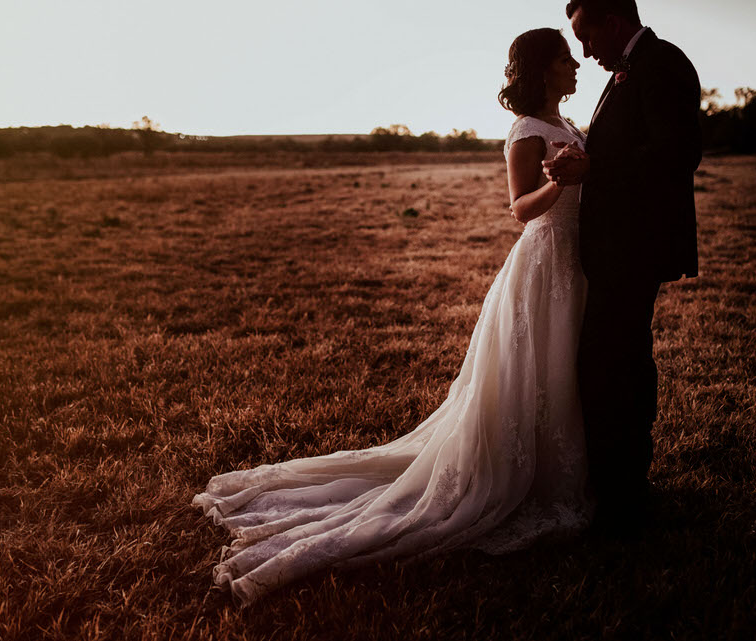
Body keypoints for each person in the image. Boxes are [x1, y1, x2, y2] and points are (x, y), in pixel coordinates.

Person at [192, 28, 594, 606]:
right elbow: (518, 208)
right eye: (564, 58)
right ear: (542, 70)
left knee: (562, 371)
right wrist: (557, 182)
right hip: (544, 258)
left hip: (575, 260)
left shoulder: (570, 127)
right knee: (536, 369)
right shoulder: (528, 133)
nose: (574, 65)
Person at [543, 0, 701, 536]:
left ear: (613, 23)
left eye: (587, 37)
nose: (585, 51)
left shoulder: (664, 64)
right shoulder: (628, 70)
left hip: (638, 244)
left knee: (614, 365)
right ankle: (621, 485)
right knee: (618, 361)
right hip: (618, 247)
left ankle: (624, 496)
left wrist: (595, 166)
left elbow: (678, 152)